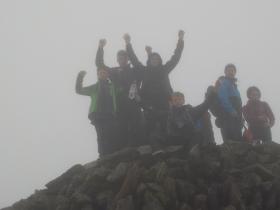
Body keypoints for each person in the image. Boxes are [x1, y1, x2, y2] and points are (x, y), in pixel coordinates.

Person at [124, 31, 185, 147]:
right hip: (149, 103)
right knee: (150, 126)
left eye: (157, 58)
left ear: (160, 60)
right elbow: (133, 59)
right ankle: (152, 149)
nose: (155, 60)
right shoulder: (144, 70)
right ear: (149, 61)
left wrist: (180, 40)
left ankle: (169, 147)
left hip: (165, 102)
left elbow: (176, 56)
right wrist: (128, 43)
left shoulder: (164, 69)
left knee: (166, 125)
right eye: (152, 58)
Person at [95, 39, 145, 147]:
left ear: (127, 59)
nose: (121, 59)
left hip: (134, 103)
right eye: (119, 58)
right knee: (121, 128)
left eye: (124, 57)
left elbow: (136, 61)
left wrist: (128, 44)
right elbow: (99, 64)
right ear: (117, 60)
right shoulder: (113, 71)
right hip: (119, 105)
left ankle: (138, 148)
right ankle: (124, 151)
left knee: (136, 126)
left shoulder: (135, 70)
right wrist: (100, 47)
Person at [75, 68, 120, 157]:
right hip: (97, 114)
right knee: (101, 134)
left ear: (107, 75)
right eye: (100, 73)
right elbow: (79, 90)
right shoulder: (95, 87)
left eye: (104, 73)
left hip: (110, 114)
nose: (102, 74)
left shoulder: (113, 86)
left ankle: (110, 152)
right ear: (98, 75)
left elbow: (120, 92)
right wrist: (80, 78)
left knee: (111, 133)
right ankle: (103, 154)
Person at [216, 64, 243, 142]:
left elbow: (239, 102)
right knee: (230, 136)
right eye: (229, 70)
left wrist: (241, 115)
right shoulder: (224, 83)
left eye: (233, 70)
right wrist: (231, 110)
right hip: (228, 114)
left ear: (235, 72)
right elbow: (223, 97)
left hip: (236, 114)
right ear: (225, 72)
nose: (231, 72)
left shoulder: (234, 85)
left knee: (237, 135)